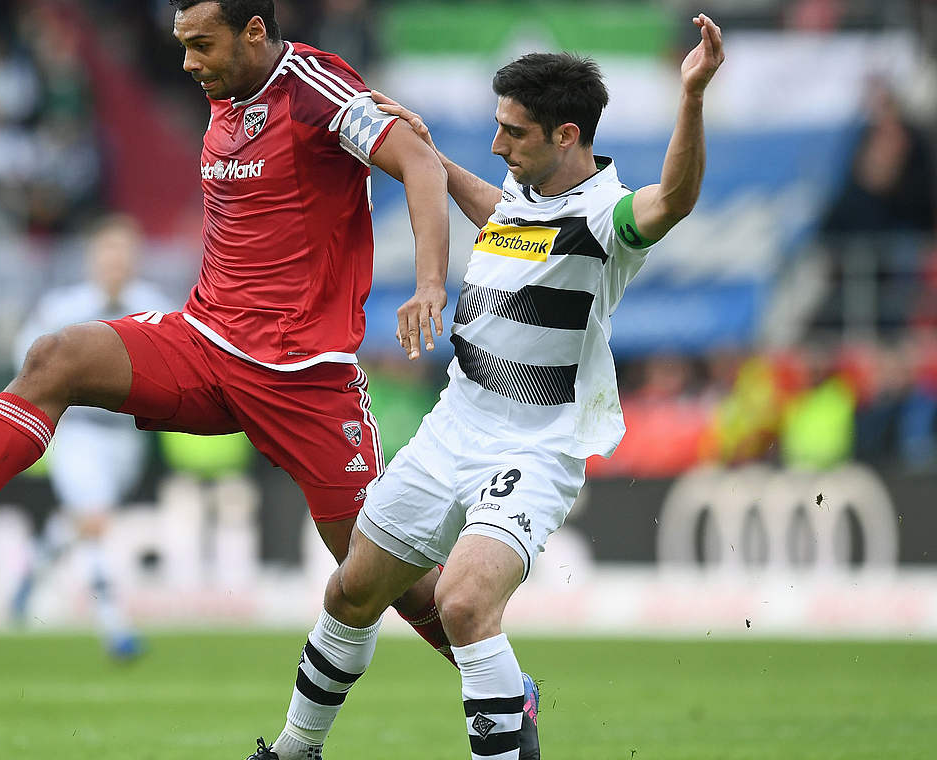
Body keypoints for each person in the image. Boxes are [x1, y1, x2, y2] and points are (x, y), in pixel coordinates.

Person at [0, 0, 458, 664]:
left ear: (255, 32)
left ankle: (497, 687)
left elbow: (422, 163)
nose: (187, 62)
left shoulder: (313, 89)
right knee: (54, 357)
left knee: (382, 579)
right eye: (182, 44)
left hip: (303, 377)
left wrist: (430, 283)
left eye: (202, 44)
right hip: (204, 344)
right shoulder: (226, 91)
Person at [243, 14, 725, 760]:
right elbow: (499, 217)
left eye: (514, 133)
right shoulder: (520, 195)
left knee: (463, 603)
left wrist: (690, 95)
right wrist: (431, 155)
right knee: (349, 594)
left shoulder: (607, 216)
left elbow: (678, 201)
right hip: (454, 424)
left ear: (568, 136)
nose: (499, 145)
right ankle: (294, 750)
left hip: (535, 445)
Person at [6, 215, 171, 661]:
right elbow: (24, 358)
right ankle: (115, 626)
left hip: (127, 438)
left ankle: (31, 567)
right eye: (108, 252)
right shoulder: (64, 308)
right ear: (92, 258)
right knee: (94, 522)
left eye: (124, 252)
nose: (116, 262)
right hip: (79, 434)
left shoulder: (155, 306)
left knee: (83, 520)